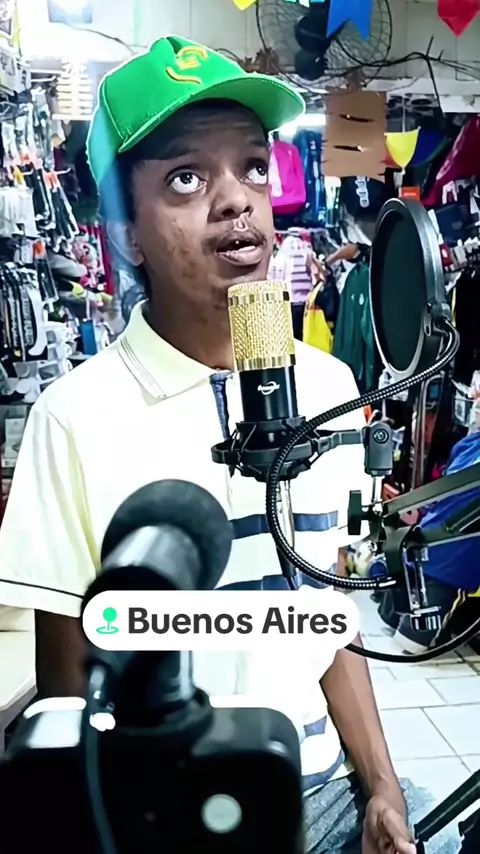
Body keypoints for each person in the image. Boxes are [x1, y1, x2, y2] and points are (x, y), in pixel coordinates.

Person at [0, 36, 453, 853]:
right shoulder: (72, 419)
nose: (237, 200)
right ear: (125, 231)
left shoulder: (330, 387)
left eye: (252, 166)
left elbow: (328, 621)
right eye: (186, 178)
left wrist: (381, 788)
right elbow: (68, 689)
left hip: (322, 794)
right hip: (169, 817)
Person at [377, 430, 480, 654]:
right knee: (397, 628)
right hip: (425, 551)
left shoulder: (469, 443)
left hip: (445, 563)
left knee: (409, 643)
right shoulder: (469, 444)